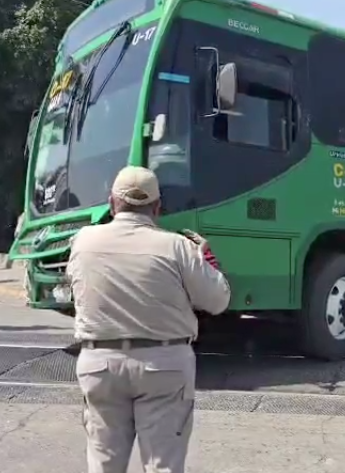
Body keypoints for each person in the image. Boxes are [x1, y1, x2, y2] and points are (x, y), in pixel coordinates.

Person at [66, 166, 231, 473]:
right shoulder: (177, 247)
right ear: (157, 208)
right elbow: (218, 300)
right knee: (163, 465)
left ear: (112, 203)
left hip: (100, 364)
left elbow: (75, 289)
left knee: (103, 464)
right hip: (164, 365)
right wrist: (208, 262)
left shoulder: (83, 241)